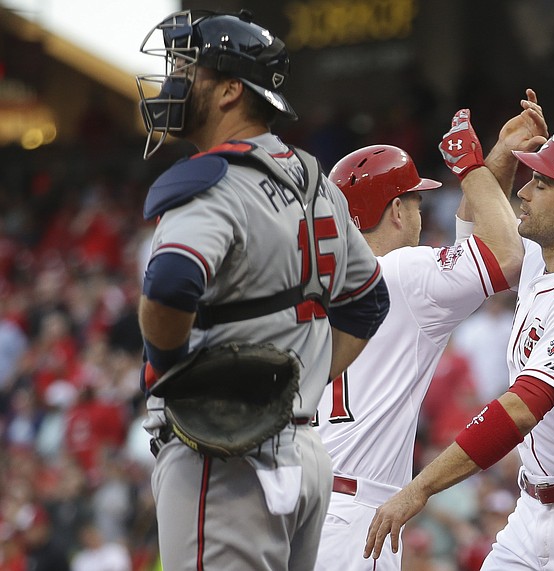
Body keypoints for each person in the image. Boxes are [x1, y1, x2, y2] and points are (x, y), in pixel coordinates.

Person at [134, 10, 389, 570]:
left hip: (227, 462)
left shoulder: (213, 182)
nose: (175, 82)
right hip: (302, 455)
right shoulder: (313, 177)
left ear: (229, 91)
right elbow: (369, 300)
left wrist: (175, 370)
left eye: (188, 69)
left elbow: (172, 282)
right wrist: (300, 382)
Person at [365, 126, 554, 569]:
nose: (525, 192)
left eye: (541, 184)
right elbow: (477, 234)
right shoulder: (542, 262)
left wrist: (421, 487)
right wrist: (501, 155)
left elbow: (522, 408)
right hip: (533, 509)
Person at [313, 92, 548, 570]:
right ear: (397, 211)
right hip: (356, 517)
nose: (421, 215)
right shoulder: (401, 273)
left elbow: (473, 247)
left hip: (301, 507)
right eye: (416, 202)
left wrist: (495, 162)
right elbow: (506, 257)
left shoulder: (315, 285)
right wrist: (470, 166)